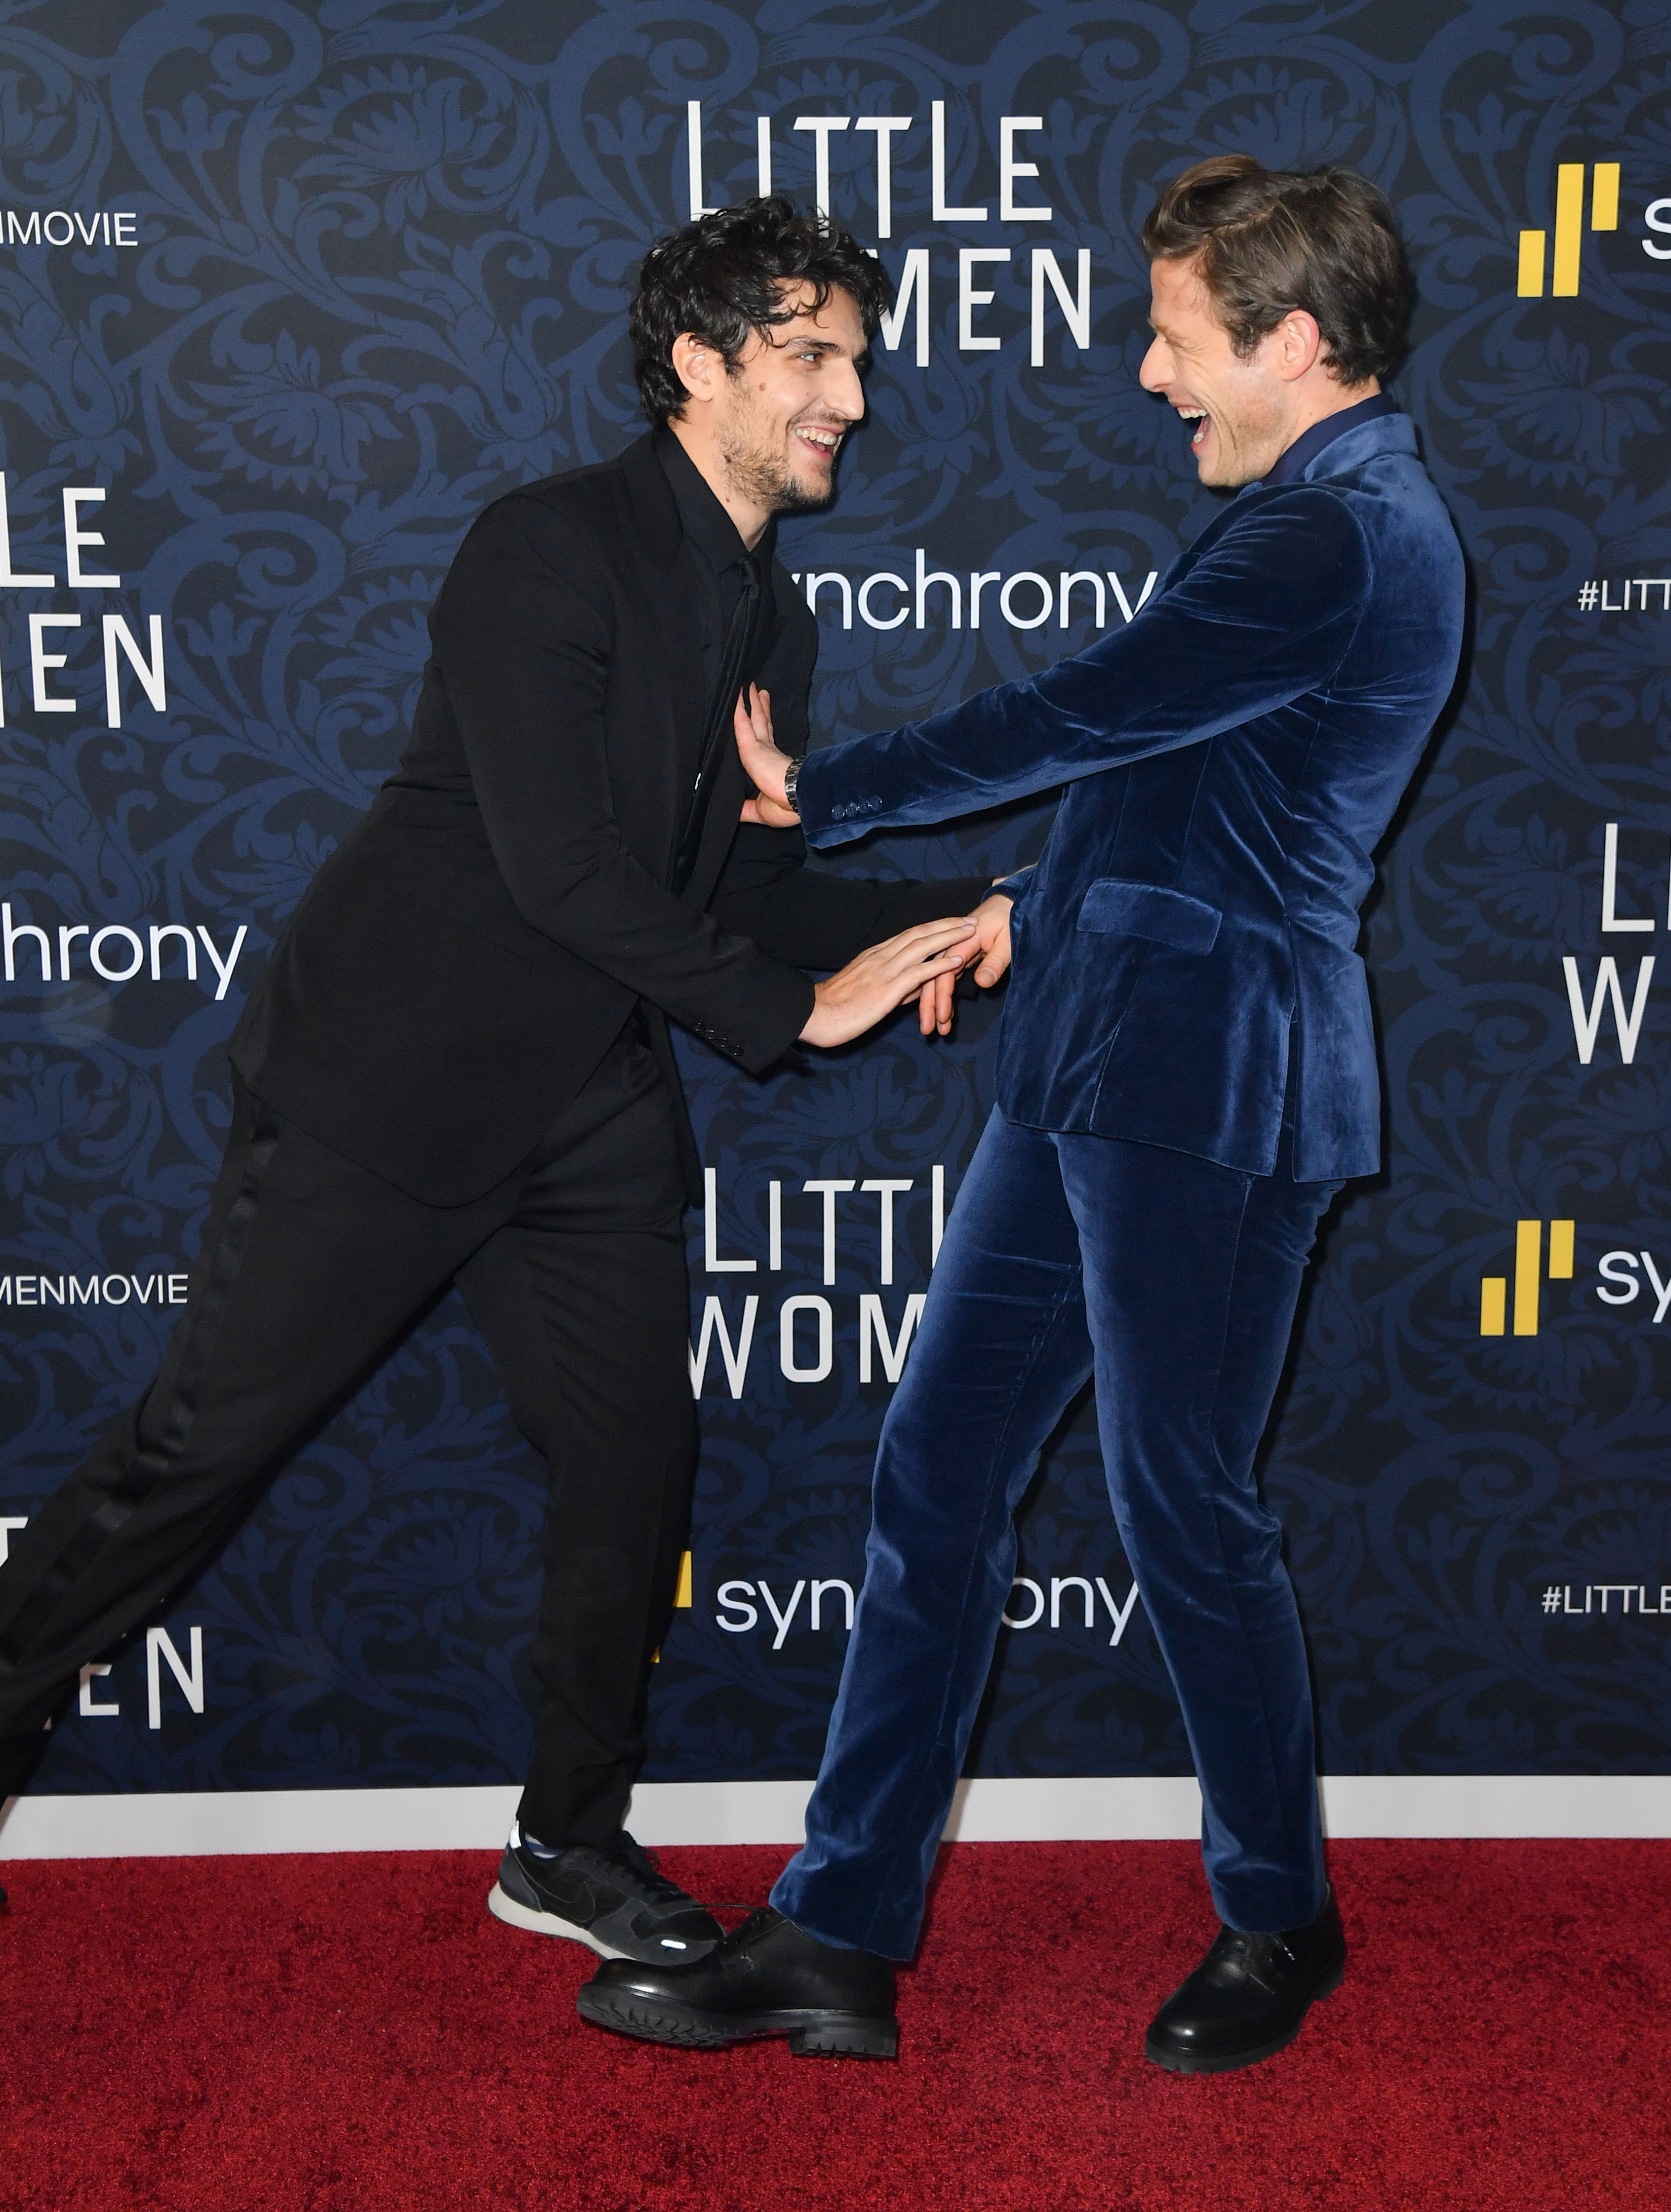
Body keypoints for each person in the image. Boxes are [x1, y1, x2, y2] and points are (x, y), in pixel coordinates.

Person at [0, 198, 1013, 1960]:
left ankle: (565, 1843)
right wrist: (799, 1017)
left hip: (589, 1095)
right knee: (191, 1459)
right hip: (393, 1078)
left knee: (635, 1459)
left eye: (856, 356)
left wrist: (970, 909)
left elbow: (741, 888)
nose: (853, 393)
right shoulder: (544, 550)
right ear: (702, 366)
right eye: (813, 357)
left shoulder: (772, 619)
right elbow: (566, 871)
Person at [577, 155, 1466, 2068]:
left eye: (1173, 339)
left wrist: (822, 790)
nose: (1150, 378)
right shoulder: (1301, 509)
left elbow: (1090, 714)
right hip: (1090, 1047)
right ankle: (839, 1928)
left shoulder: (1342, 529)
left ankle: (1278, 1914)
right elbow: (1180, 795)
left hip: (1215, 1081)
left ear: (1295, 341)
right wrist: (1024, 907)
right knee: (936, 1473)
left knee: (1185, 1509)